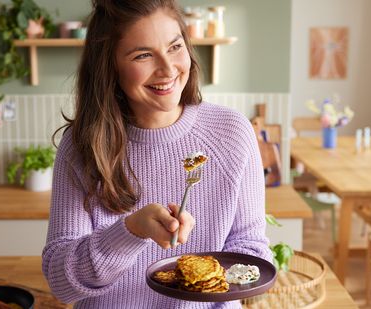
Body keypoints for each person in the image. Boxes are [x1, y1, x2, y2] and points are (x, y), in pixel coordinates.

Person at [42, 0, 271, 308]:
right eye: (143, 55)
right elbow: (61, 284)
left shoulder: (232, 132)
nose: (167, 69)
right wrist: (130, 231)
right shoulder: (82, 146)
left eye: (175, 47)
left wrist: (205, 276)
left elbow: (252, 252)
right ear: (110, 66)